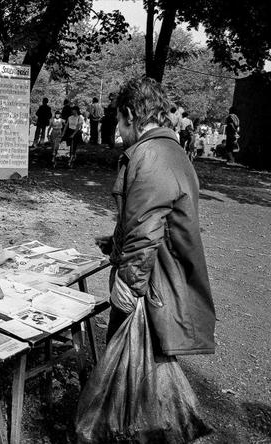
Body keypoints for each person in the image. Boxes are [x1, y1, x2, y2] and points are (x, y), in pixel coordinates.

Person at [96, 77, 215, 356]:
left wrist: (127, 288)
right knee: (138, 372)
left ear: (129, 115)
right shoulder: (170, 150)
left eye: (119, 121)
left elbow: (146, 232)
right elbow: (155, 216)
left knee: (131, 369)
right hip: (158, 281)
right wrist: (116, 240)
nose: (119, 130)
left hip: (153, 286)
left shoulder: (150, 156)